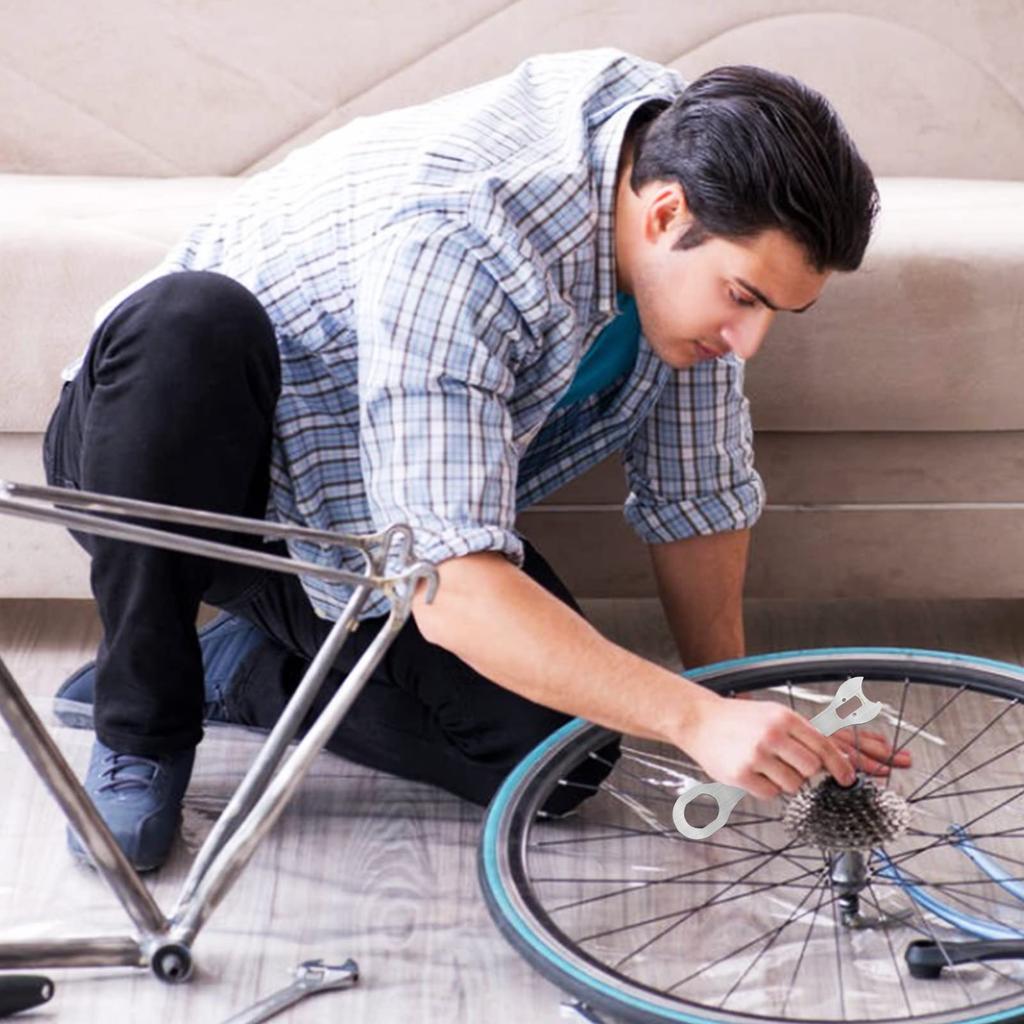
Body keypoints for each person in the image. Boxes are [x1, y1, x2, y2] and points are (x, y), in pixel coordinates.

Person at [44, 48, 910, 873]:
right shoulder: (466, 232)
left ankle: (242, 669)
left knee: (557, 762)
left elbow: (698, 500)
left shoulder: (688, 181)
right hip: (177, 462)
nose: (746, 342)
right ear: (664, 215)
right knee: (192, 321)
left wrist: (733, 700)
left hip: (358, 517)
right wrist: (690, 718)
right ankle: (141, 725)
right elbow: (454, 591)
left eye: (774, 314)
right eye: (744, 299)